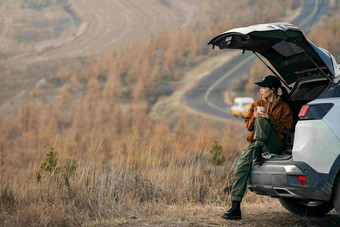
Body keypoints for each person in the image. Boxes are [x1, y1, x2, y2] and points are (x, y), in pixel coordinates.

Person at [221, 75, 294, 220]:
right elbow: (249, 126)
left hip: (274, 144)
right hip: (256, 145)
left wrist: (269, 118)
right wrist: (255, 117)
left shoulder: (284, 107)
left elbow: (286, 128)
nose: (260, 90)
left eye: (263, 87)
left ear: (272, 89)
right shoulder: (256, 104)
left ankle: (258, 149)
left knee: (262, 119)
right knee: (241, 166)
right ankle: (235, 206)